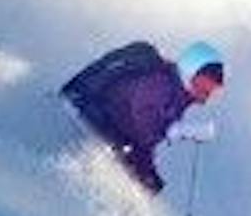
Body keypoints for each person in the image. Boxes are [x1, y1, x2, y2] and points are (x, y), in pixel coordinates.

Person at [57, 38, 226, 195]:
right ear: (190, 72)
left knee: (146, 183)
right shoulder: (160, 82)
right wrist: (178, 131)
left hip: (112, 132)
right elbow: (143, 123)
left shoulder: (178, 98)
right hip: (93, 116)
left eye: (211, 91)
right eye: (203, 86)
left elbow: (144, 141)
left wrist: (147, 172)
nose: (204, 97)